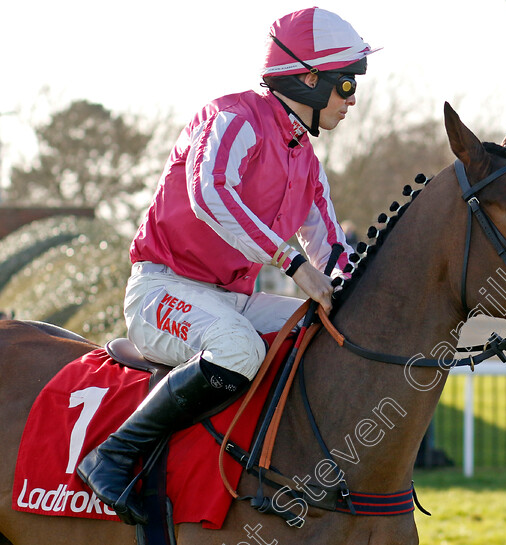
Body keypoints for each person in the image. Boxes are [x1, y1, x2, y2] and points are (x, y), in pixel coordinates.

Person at [76, 7, 378, 525]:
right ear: (308, 78)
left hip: (231, 299)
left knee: (324, 330)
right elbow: (209, 193)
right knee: (238, 348)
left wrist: (372, 294)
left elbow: (332, 252)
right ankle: (114, 454)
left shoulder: (306, 159)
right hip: (161, 291)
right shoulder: (231, 118)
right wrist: (292, 263)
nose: (352, 100)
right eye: (346, 85)